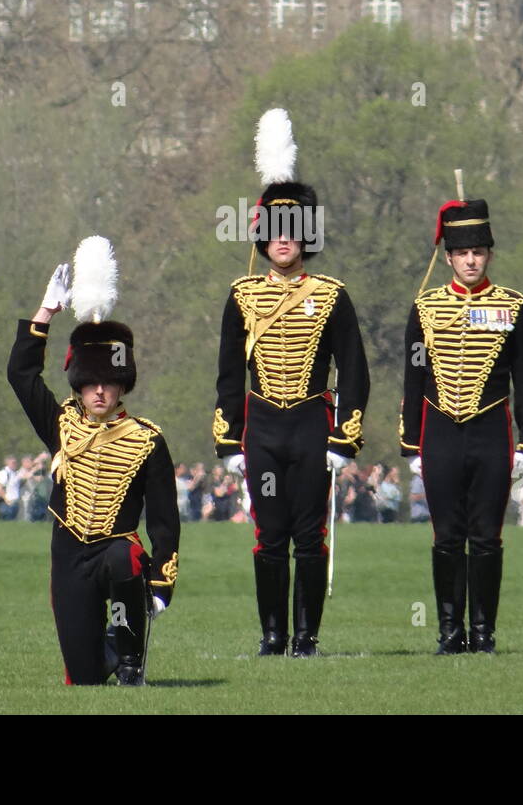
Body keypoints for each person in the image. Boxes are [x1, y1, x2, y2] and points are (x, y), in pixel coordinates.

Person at [214, 113, 370, 657]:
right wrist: (230, 440)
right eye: (274, 232)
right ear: (262, 238)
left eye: (293, 232)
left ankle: (306, 638)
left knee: (310, 536)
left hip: (310, 423)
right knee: (268, 537)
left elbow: (353, 371)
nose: (284, 241)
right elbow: (230, 376)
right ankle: (272, 635)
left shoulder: (331, 294)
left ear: (306, 237)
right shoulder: (241, 295)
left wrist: (344, 437)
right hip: (261, 427)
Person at [8, 247, 180, 686]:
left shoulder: (147, 440)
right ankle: (109, 644)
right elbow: (21, 375)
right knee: (84, 676)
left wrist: (161, 580)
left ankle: (130, 657)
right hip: (69, 552)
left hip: (115, 550)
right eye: (90, 383)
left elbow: (164, 520)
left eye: (108, 382)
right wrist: (46, 312)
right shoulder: (60, 424)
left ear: (122, 384)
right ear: (79, 385)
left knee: (125, 559)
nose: (99, 391)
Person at [400, 190, 523, 655]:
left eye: (478, 252)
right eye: (462, 253)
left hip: (490, 432)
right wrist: (411, 444)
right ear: (449, 258)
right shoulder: (424, 309)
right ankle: (449, 631)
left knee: (486, 537)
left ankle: (483, 632)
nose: (470, 261)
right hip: (439, 433)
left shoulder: (514, 306)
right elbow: (414, 379)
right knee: (446, 537)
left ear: (489, 255)